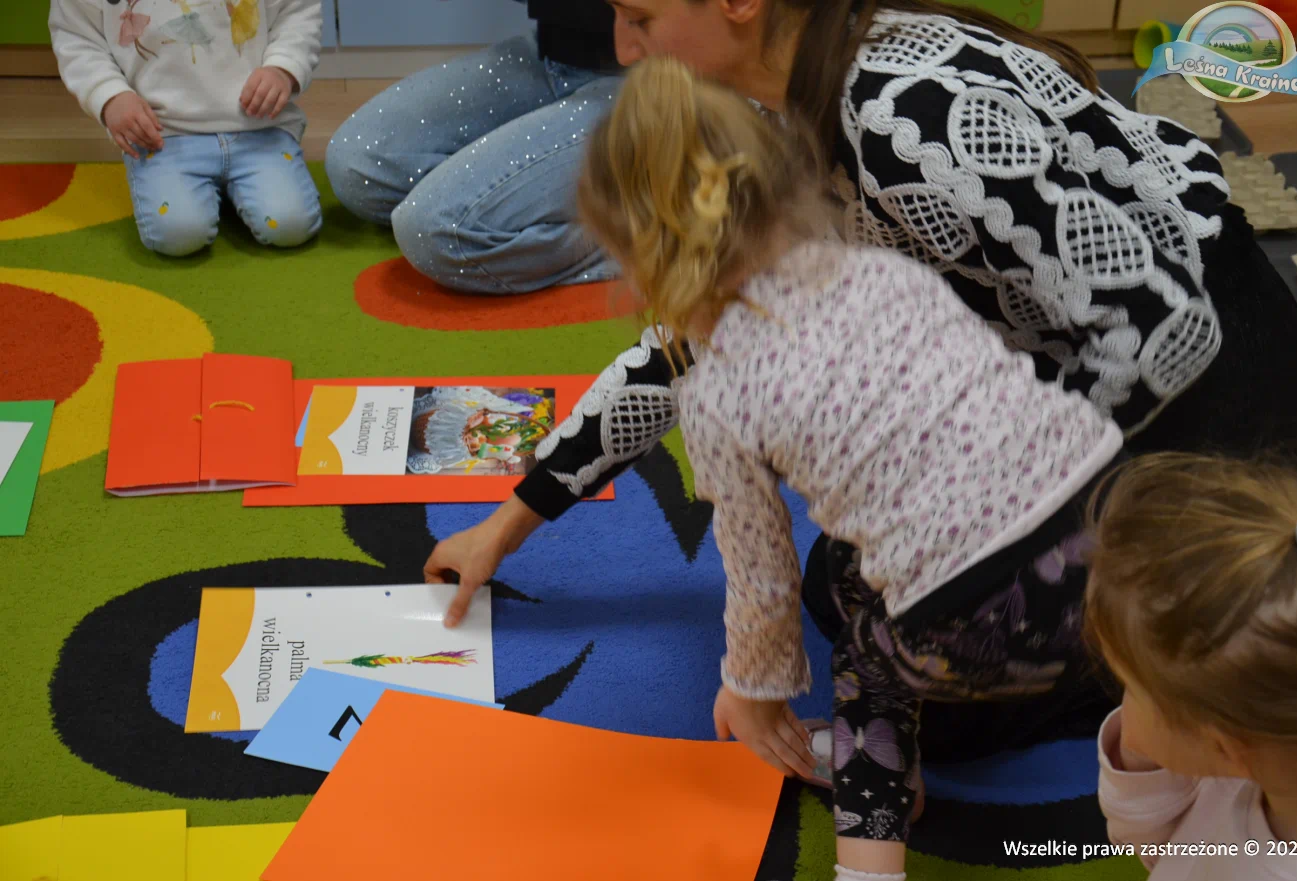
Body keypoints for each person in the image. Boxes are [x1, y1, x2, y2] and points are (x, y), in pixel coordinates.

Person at [424, 0, 1297, 757]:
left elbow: (1166, 324)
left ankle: (1204, 633)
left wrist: (1028, 499)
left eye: (641, 17)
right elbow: (696, 346)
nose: (625, 49)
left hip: (1211, 386)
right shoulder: (778, 107)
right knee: (854, 586)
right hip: (1085, 365)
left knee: (944, 670)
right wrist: (512, 520)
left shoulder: (902, 119)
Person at [447, 56, 1132, 880]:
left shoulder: (718, 390)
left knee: (870, 670)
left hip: (974, 614)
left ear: (645, 264)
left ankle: (869, 863)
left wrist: (752, 689)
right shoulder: (884, 272)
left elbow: (760, 573)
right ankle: (1191, 777)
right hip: (1115, 537)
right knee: (853, 572)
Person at [1084, 452, 1297, 880]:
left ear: (1224, 746)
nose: (1123, 705)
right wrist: (1139, 768)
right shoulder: (1268, 737)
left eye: (1131, 687)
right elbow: (1169, 848)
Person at [326, 1, 621, 294]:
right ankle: (496, 208)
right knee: (356, 163)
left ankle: (639, 232)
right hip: (554, 52)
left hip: (636, 77)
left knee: (436, 231)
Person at [50, 0, 324, 256]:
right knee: (178, 235)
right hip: (164, 135)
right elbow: (77, 37)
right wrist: (110, 96)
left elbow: (297, 12)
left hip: (260, 127)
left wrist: (283, 68)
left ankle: (226, 191)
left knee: (291, 225)